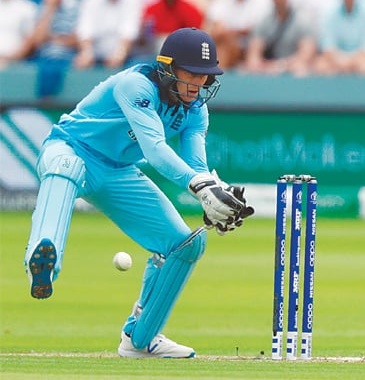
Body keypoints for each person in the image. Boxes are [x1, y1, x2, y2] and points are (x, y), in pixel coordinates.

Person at [24, 27, 254, 358]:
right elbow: (156, 149)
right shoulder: (135, 85)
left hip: (119, 172)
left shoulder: (196, 110)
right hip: (71, 148)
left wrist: (213, 194)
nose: (197, 85)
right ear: (167, 67)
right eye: (191, 73)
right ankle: (44, 259)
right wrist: (201, 187)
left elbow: (195, 165)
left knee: (187, 244)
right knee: (65, 168)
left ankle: (140, 339)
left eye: (205, 76)